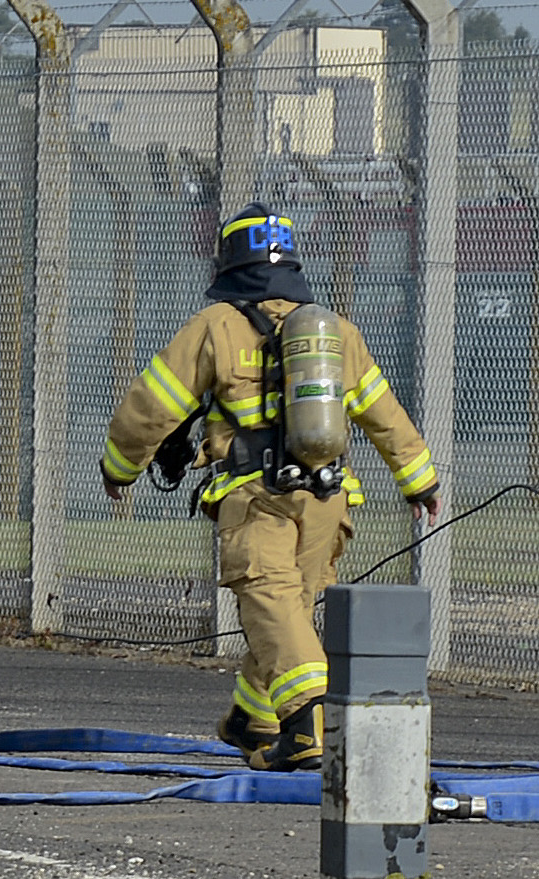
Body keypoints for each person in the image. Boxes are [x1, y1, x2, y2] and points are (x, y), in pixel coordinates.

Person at [98, 206, 436, 772]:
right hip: (329, 501)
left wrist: (119, 468)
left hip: (258, 499)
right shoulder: (333, 331)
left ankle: (306, 727)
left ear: (230, 261)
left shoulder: (216, 327)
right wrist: (418, 480)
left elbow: (151, 406)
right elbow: (384, 414)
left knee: (272, 603)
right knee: (288, 612)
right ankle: (254, 719)